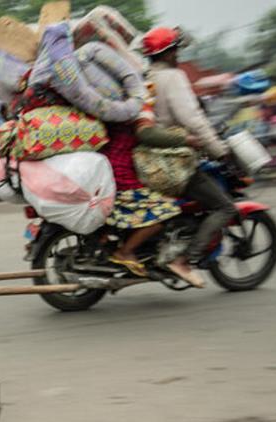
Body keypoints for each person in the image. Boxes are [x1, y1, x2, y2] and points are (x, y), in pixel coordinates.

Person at [144, 27, 239, 270]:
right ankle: (187, 259)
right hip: (173, 160)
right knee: (224, 206)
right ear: (167, 54)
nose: (178, 55)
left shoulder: (145, 76)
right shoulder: (173, 77)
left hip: (147, 158)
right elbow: (192, 119)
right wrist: (220, 150)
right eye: (175, 50)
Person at [100, 98, 205, 288]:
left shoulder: (115, 108)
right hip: (122, 173)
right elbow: (148, 134)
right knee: (166, 209)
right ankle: (125, 252)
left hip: (110, 166)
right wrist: (185, 139)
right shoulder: (136, 108)